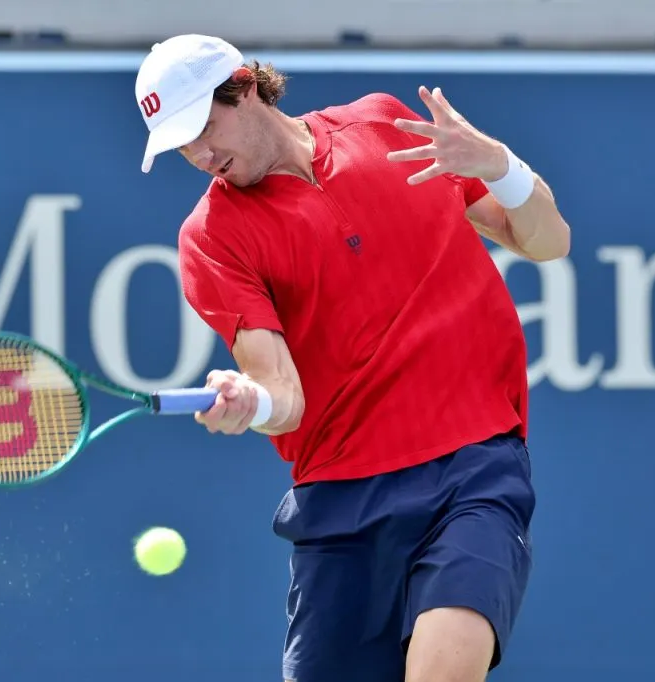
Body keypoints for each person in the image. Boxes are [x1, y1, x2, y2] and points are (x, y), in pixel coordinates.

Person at [135, 34, 570, 682]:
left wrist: (498, 164)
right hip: (341, 507)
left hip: (474, 469)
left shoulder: (381, 124)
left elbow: (548, 241)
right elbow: (282, 394)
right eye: (181, 145)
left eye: (202, 125)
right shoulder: (211, 238)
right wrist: (250, 401)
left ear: (246, 86)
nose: (200, 154)